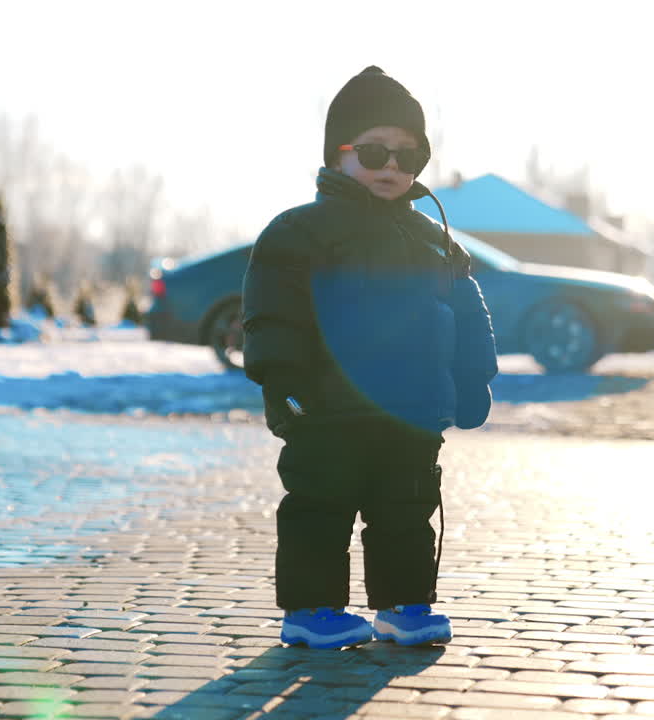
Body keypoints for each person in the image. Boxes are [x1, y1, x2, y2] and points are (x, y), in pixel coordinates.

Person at [241, 66, 498, 649]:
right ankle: (312, 610)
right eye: (376, 150)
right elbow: (273, 313)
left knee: (407, 508)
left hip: (410, 411)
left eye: (408, 157)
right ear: (338, 154)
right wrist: (282, 380)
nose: (392, 167)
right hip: (325, 409)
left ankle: (404, 606)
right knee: (319, 506)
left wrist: (472, 377)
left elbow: (466, 311)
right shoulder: (298, 232)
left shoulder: (432, 237)